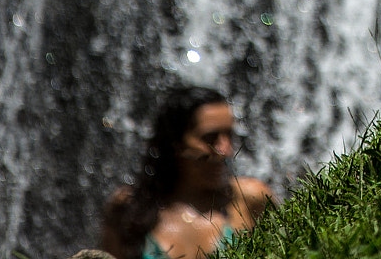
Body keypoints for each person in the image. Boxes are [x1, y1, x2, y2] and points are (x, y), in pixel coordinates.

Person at [99, 86, 275, 259]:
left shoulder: (249, 199)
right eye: (210, 138)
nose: (225, 150)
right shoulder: (128, 208)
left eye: (229, 136)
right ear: (176, 143)